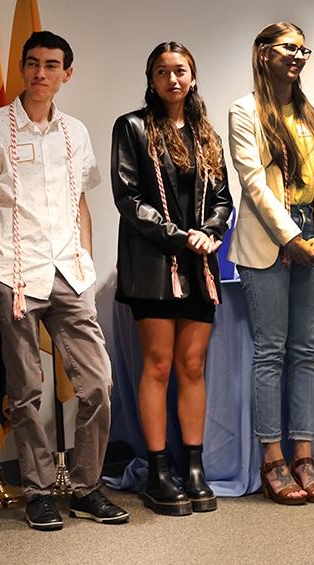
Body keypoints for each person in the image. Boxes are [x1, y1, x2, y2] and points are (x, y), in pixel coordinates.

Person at [0, 31, 128, 530]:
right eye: (32, 64)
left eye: (51, 65)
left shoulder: (75, 132)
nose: (39, 73)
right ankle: (37, 490)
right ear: (22, 68)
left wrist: (88, 260)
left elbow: (80, 200)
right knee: (27, 388)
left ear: (65, 74)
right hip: (15, 270)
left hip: (69, 270)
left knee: (98, 383)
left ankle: (87, 487)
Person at [111, 42, 233, 515]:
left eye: (180, 71)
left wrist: (210, 232)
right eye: (162, 72)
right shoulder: (133, 127)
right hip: (153, 265)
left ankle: (195, 469)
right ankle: (159, 470)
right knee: (158, 366)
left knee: (193, 366)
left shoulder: (207, 134)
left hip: (199, 265)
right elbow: (129, 197)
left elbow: (222, 197)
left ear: (193, 76)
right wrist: (181, 237)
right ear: (151, 79)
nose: (173, 80)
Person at [228, 22, 314, 505]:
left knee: (306, 351)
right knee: (271, 350)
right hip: (269, 242)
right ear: (263, 52)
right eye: (288, 48)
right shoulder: (244, 109)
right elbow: (253, 183)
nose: (297, 56)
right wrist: (292, 238)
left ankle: (304, 456)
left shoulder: (310, 112)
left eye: (303, 49)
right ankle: (272, 459)